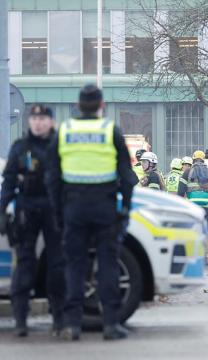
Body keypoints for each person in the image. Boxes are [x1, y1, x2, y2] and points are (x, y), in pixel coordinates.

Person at [47, 84, 138, 341]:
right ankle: (110, 324)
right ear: (101, 105)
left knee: (74, 265)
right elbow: (127, 177)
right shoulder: (110, 131)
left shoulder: (65, 131)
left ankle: (72, 325)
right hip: (104, 207)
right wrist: (125, 209)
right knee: (107, 264)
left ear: (78, 104)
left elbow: (52, 177)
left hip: (73, 207)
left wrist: (58, 211)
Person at [0, 105, 65, 337]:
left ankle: (59, 319)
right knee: (25, 265)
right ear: (29, 121)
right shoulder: (20, 147)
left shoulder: (60, 146)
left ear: (51, 121)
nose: (38, 123)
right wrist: (1, 210)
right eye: (35, 118)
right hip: (26, 210)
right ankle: (20, 320)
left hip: (53, 210)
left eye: (43, 118)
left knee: (57, 266)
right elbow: (8, 181)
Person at [177, 151, 208, 262]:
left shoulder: (187, 172)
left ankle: (193, 256)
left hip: (192, 207)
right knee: (206, 231)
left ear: (193, 160)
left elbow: (180, 192)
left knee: (192, 230)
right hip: (206, 206)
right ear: (203, 160)